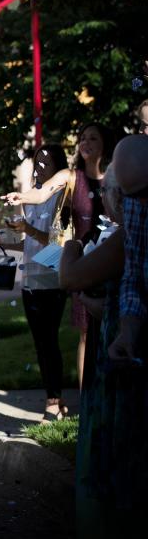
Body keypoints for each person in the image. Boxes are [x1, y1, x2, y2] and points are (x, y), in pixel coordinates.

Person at [60, 160, 144, 539]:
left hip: (119, 368)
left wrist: (69, 246)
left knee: (114, 454)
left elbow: (71, 277)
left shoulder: (128, 237)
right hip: (117, 342)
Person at [3, 122, 117, 388]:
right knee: (86, 334)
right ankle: (86, 400)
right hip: (82, 265)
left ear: (105, 144)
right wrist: (21, 197)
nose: (86, 143)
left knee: (113, 330)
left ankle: (111, 392)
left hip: (112, 260)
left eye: (93, 138)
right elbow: (42, 192)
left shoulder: (115, 174)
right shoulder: (70, 176)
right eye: (82, 138)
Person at [0, 144, 71, 420]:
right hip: (29, 278)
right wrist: (4, 239)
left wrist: (27, 229)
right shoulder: (29, 200)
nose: (40, 167)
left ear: (58, 168)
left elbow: (55, 243)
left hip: (51, 279)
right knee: (40, 343)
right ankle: (53, 398)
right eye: (37, 162)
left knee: (49, 340)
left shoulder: (61, 196)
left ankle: (54, 401)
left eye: (46, 163)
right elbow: (31, 243)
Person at [108, 135, 148, 366]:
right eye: (133, 197)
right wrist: (128, 330)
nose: (141, 203)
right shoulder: (134, 201)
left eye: (146, 193)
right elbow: (134, 273)